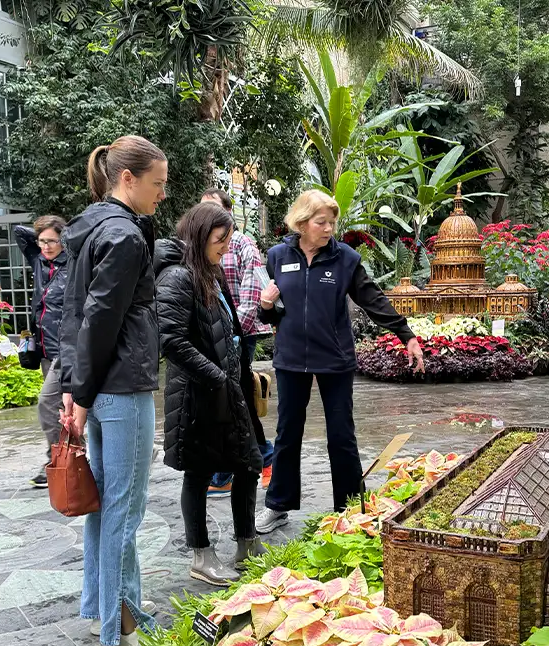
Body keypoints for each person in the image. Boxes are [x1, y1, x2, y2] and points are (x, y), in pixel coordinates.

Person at [254, 190, 425, 534]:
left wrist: (406, 335)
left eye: (332, 222)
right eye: (322, 222)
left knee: (341, 435)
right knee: (288, 433)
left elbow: (372, 299)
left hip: (334, 358)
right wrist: (266, 306)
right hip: (290, 359)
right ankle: (278, 505)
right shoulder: (276, 256)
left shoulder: (344, 258)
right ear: (302, 223)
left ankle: (350, 507)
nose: (329, 228)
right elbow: (270, 316)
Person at [57, 135, 167, 646]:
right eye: (157, 183)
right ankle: (122, 624)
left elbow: (72, 312)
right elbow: (99, 318)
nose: (161, 194)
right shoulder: (122, 236)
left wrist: (75, 389)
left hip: (101, 386)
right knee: (123, 509)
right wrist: (79, 390)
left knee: (105, 506)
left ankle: (104, 612)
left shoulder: (91, 229)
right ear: (128, 179)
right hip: (120, 385)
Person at [157, 203, 265, 585]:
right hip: (197, 395)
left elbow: (228, 329)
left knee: (249, 462)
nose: (225, 247)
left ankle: (247, 543)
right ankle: (201, 555)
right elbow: (171, 341)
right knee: (199, 473)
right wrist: (216, 375)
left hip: (226, 387)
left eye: (228, 239)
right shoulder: (177, 277)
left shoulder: (210, 273)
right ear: (200, 236)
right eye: (221, 240)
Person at [199, 188, 274, 497]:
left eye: (214, 210)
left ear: (229, 212)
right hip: (217, 333)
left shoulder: (243, 245)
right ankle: (255, 459)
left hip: (240, 333)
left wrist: (234, 333)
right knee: (234, 398)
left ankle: (255, 461)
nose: (209, 217)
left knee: (236, 397)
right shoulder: (203, 245)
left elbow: (254, 289)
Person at [15, 215, 69, 487]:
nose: (46, 246)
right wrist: (43, 231)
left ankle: (56, 461)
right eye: (42, 241)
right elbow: (18, 232)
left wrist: (66, 235)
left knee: (48, 404)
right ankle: (136, 447)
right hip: (46, 348)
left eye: (52, 241)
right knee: (71, 407)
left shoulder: (72, 265)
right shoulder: (38, 262)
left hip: (67, 350)